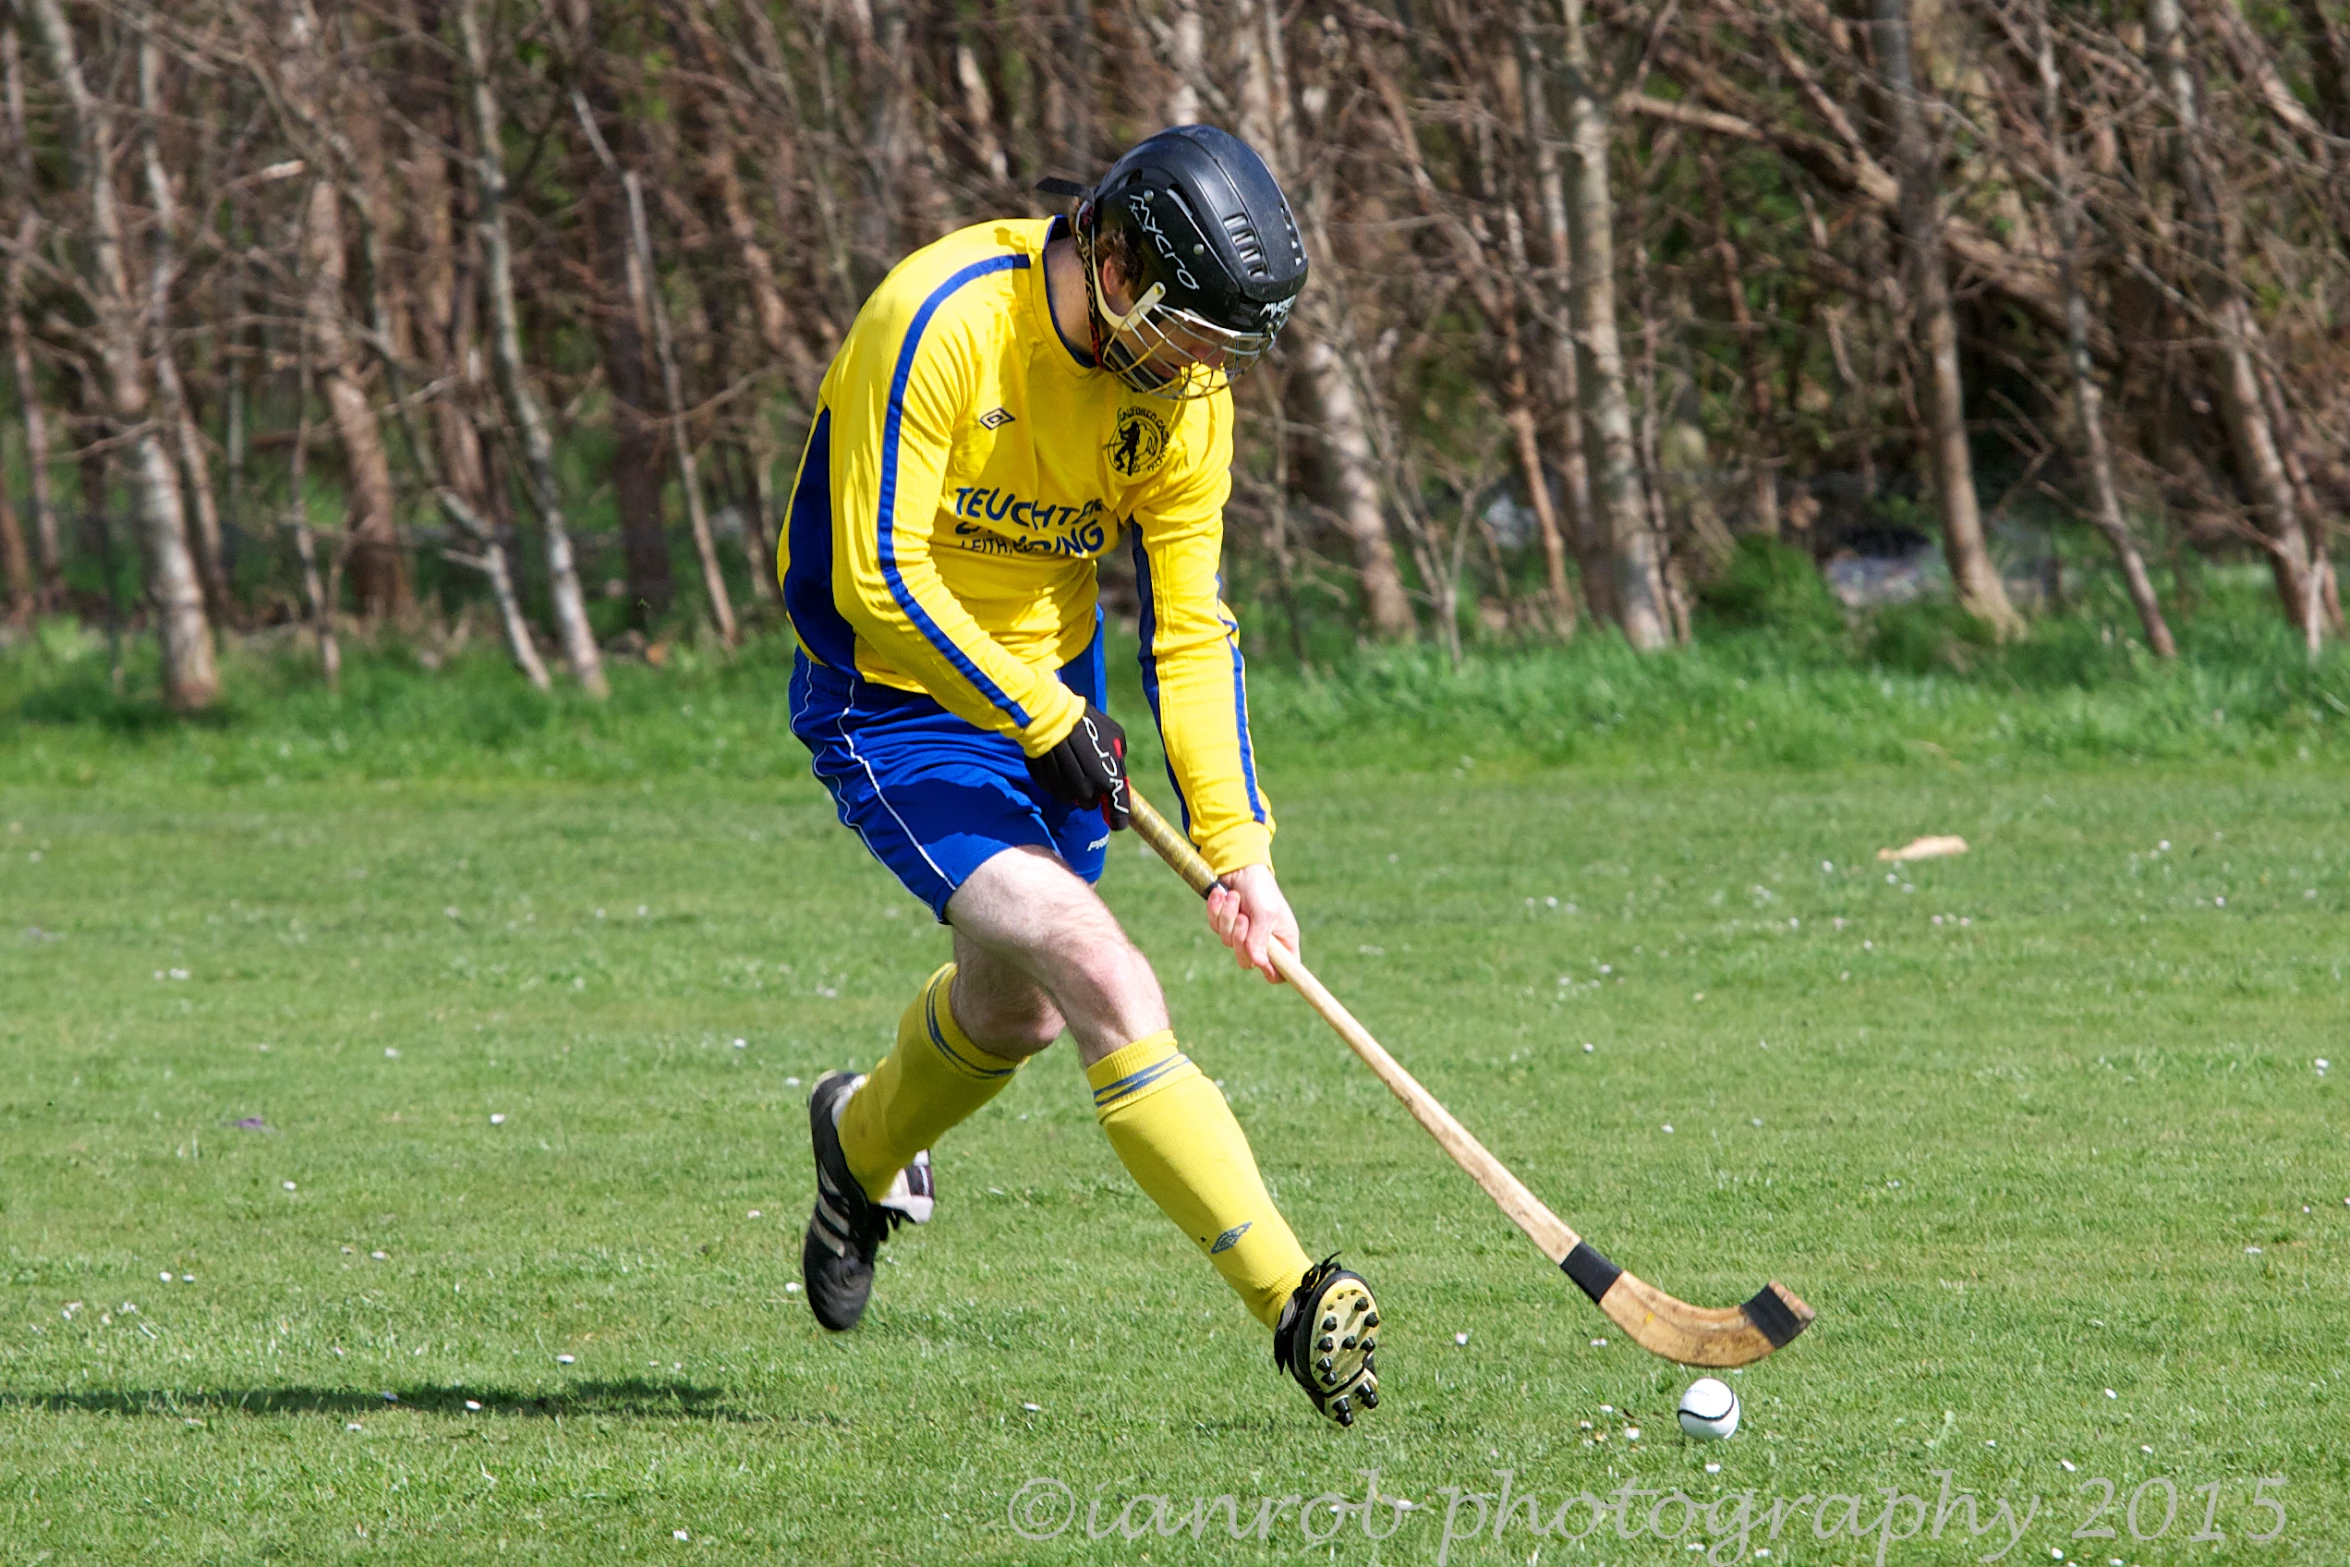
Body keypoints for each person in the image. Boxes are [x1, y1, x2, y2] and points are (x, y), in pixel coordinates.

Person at [779, 125, 1379, 1425]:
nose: (1207, 375)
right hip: (893, 701)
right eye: (1196, 335)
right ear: (1114, 262)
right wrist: (1037, 710)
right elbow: (876, 580)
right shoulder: (937, 321)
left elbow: (1190, 630)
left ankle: (859, 1142)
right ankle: (1293, 1298)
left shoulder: (1185, 399)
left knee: (1019, 1012)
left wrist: (1239, 851)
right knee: (1101, 967)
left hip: (1057, 714)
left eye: (1231, 348)